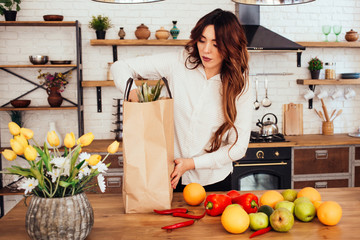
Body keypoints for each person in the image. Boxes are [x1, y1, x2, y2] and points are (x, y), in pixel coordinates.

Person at [111, 8, 252, 192]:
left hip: (215, 183)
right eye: (202, 41)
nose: (206, 50)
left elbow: (237, 147)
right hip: (168, 178)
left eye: (216, 44)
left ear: (231, 45)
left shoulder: (240, 84)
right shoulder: (179, 62)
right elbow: (120, 67)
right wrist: (133, 92)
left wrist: (192, 163)